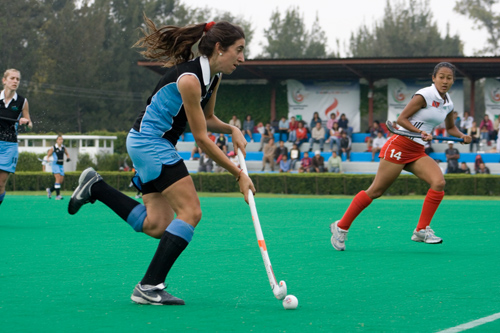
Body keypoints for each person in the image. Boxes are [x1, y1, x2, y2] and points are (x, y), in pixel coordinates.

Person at [67, 18, 255, 305]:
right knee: (190, 212)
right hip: (150, 143)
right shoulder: (190, 79)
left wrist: (233, 129)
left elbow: (206, 119)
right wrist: (238, 174)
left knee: (157, 225)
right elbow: (202, 138)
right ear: (219, 48)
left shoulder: (213, 78)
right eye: (239, 50)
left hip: (149, 143)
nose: (242, 58)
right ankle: (149, 285)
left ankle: (96, 188)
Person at [330, 62, 471, 251]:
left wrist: (462, 136)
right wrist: (420, 132)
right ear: (434, 78)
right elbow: (401, 120)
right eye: (441, 77)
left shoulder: (448, 103)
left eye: (449, 78)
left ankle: (421, 230)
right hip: (399, 145)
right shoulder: (425, 95)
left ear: (453, 80)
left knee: (438, 182)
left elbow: (450, 128)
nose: (445, 81)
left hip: (417, 151)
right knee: (376, 191)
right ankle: (341, 226)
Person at [0, 69, 32, 207]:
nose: (15, 81)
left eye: (17, 79)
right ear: (4, 80)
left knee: (1, 183)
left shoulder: (22, 101)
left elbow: (30, 124)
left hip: (9, 146)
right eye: (12, 78)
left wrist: (26, 122)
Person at [46, 135, 71, 200]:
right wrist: (48, 158)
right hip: (55, 164)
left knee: (60, 181)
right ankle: (58, 196)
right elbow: (48, 155)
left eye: (62, 139)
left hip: (61, 165)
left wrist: (68, 158)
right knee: (57, 179)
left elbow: (67, 154)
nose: (61, 140)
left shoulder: (63, 147)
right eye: (59, 139)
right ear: (57, 140)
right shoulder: (53, 147)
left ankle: (50, 190)